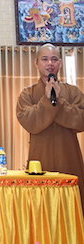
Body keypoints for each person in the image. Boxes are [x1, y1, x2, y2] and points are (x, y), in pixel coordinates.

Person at [17, 44, 84, 200]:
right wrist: (47, 102)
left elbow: (81, 120)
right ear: (36, 63)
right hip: (40, 160)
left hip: (69, 158)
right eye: (45, 59)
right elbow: (29, 122)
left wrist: (59, 102)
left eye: (54, 59)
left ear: (60, 63)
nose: (50, 63)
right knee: (40, 204)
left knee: (72, 204)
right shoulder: (28, 94)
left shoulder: (73, 92)